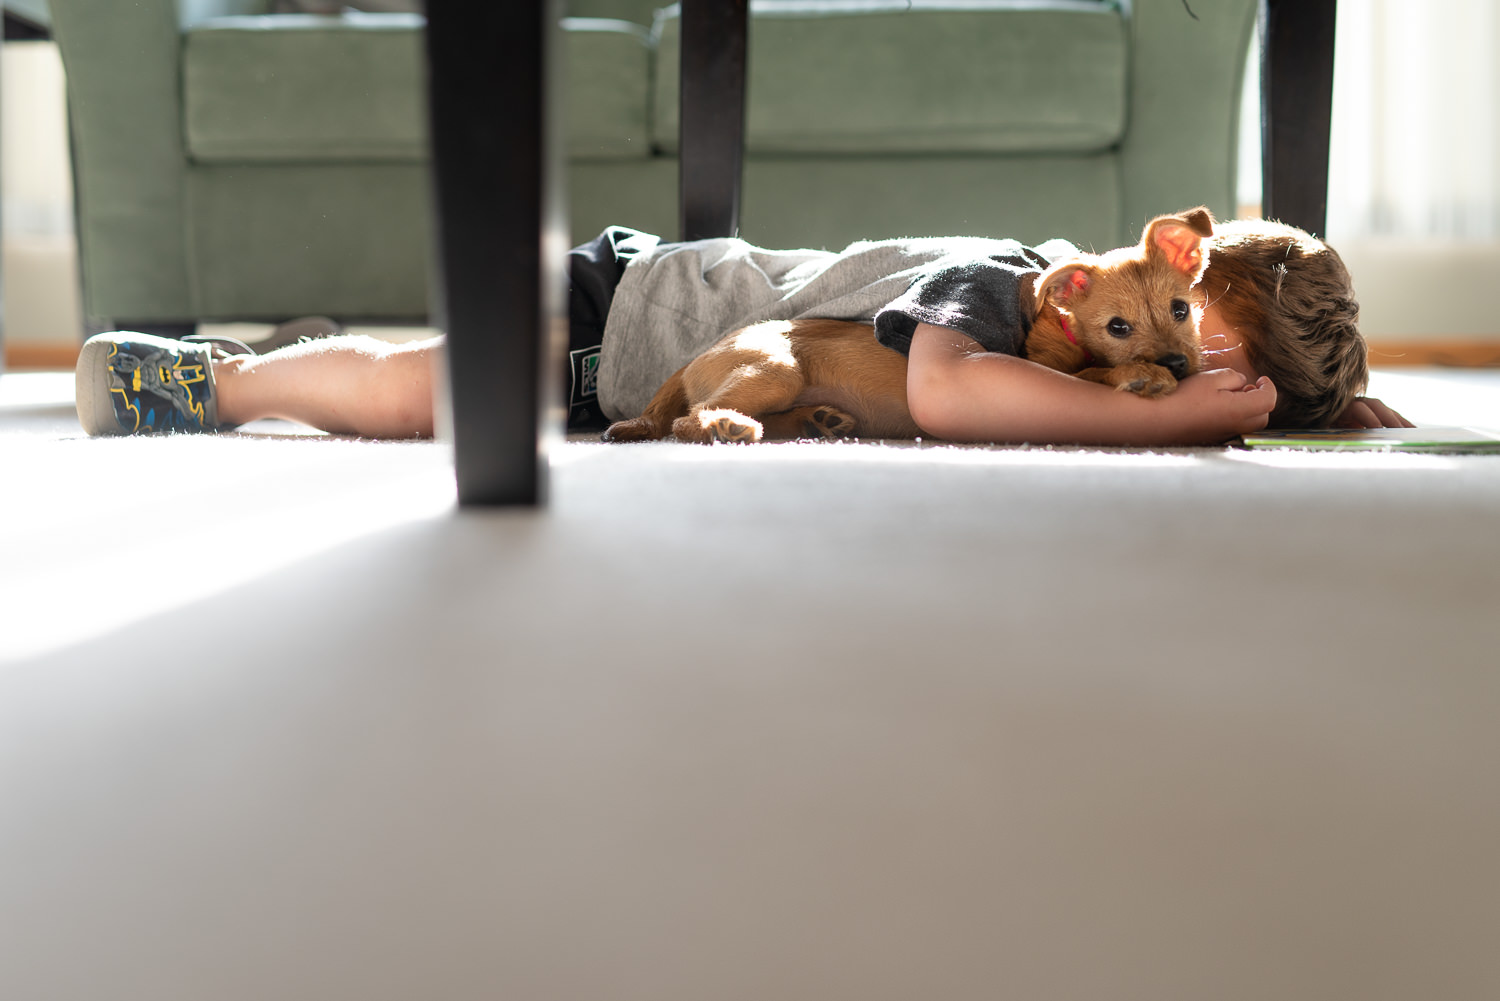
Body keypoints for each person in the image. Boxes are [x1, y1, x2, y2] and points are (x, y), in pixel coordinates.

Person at [73, 216, 1409, 444]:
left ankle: (289, 347)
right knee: (423, 395)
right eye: (1180, 354)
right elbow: (949, 396)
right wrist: (1170, 414)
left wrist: (1326, 405)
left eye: (1213, 383)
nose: (1173, 383)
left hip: (684, 364)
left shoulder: (1135, 342)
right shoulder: (999, 285)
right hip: (638, 315)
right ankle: (218, 385)